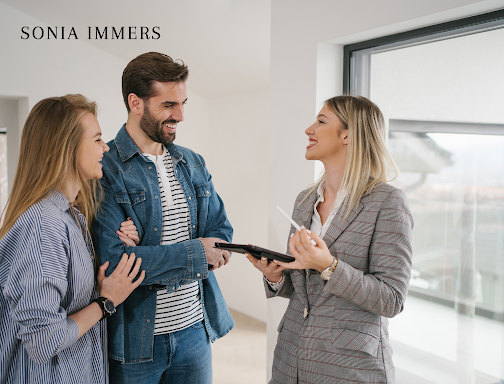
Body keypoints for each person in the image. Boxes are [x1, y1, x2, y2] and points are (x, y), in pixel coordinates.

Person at [247, 95, 414, 384]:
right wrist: (276, 277)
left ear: (348, 134)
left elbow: (391, 300)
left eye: (321, 121)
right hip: (290, 360)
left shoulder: (387, 202)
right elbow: (304, 289)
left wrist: (330, 266)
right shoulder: (305, 200)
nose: (308, 129)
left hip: (348, 369)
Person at [90, 52, 234, 384]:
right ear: (135, 102)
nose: (180, 115)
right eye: (169, 104)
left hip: (195, 332)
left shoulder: (192, 162)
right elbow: (114, 264)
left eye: (183, 103)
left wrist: (145, 255)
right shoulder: (105, 167)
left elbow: (221, 232)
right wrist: (198, 252)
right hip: (136, 342)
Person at [0, 94, 145, 384]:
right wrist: (106, 302)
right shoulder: (43, 225)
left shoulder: (71, 215)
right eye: (97, 139)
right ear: (67, 148)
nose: (105, 147)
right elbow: (44, 341)